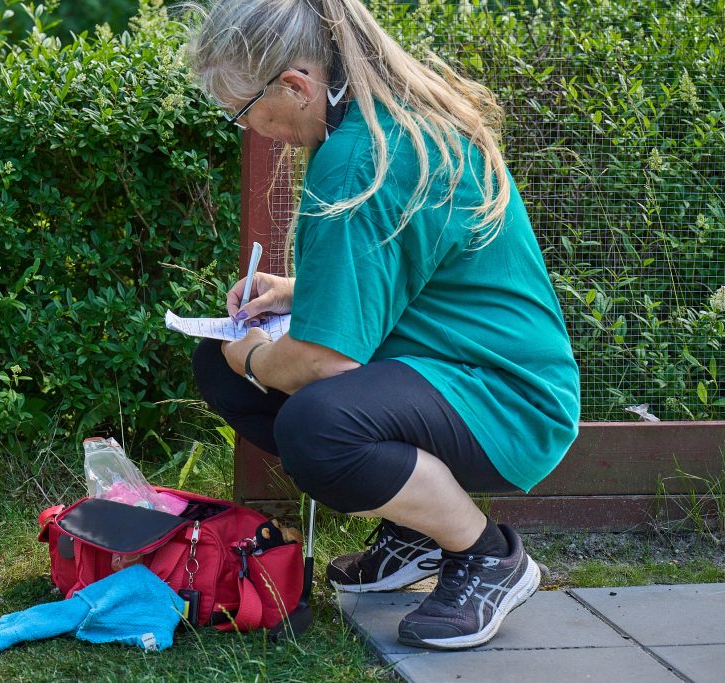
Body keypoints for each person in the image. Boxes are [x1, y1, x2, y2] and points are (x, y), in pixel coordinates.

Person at [185, 0, 581, 650]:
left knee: (316, 426)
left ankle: (486, 556)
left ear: (296, 85)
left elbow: (326, 360)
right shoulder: (382, 118)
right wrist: (290, 292)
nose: (253, 128)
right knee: (220, 365)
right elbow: (408, 264)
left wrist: (253, 357)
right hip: (459, 367)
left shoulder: (355, 158)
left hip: (508, 401)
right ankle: (416, 528)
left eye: (246, 109)